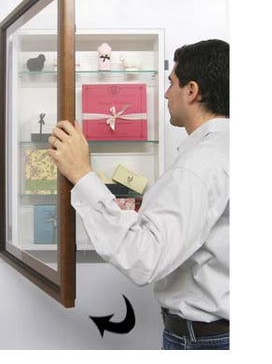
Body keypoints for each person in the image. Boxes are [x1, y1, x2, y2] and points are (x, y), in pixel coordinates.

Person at [47, 39, 229, 350]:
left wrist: (81, 174)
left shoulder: (199, 165)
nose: (166, 94)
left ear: (192, 91)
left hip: (206, 341)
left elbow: (145, 258)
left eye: (171, 83)